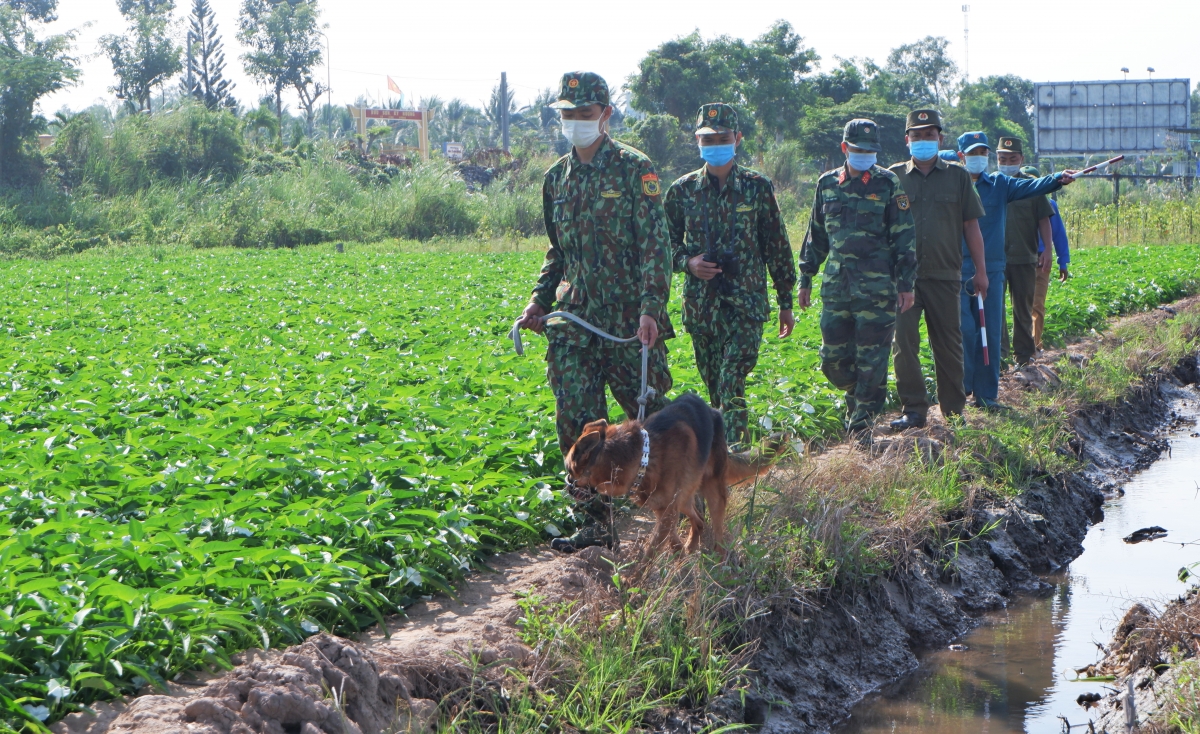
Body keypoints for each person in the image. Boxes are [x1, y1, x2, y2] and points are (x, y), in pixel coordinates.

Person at [516, 71, 674, 552]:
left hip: (629, 323)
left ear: (605, 115)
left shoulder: (634, 169)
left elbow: (656, 247)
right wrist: (540, 300)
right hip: (576, 322)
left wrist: (651, 308)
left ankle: (684, 492)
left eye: (585, 113)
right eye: (568, 114)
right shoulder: (555, 179)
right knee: (577, 423)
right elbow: (557, 251)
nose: (576, 122)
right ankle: (594, 524)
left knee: (650, 416)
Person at [664, 103, 796, 452]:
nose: (716, 143)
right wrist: (687, 263)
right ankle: (720, 457)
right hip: (702, 307)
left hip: (745, 304)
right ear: (697, 140)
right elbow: (663, 245)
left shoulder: (757, 187)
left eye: (723, 137)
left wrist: (786, 301)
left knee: (731, 378)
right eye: (708, 138)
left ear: (737, 139)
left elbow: (777, 246)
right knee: (715, 389)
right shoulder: (681, 191)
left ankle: (735, 456)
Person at [799, 118, 917, 443]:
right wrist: (805, 277)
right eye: (858, 149)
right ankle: (859, 399)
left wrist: (906, 284)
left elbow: (904, 238)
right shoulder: (826, 184)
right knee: (833, 361)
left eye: (870, 150)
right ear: (844, 148)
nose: (865, 154)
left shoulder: (888, 184)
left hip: (878, 290)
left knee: (872, 358)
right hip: (837, 288)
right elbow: (816, 235)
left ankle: (861, 428)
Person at [955, 131, 1077, 409]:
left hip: (994, 267)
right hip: (958, 267)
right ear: (961, 156)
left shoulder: (1000, 183)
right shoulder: (952, 183)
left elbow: (1033, 188)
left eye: (982, 153)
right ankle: (961, 387)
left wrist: (1057, 178)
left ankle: (986, 394)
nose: (978, 158)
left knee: (992, 328)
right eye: (972, 153)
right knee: (964, 329)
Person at [887, 109, 988, 431]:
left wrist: (981, 272)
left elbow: (971, 226)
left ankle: (954, 411)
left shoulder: (957, 177)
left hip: (945, 275)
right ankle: (914, 410)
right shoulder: (892, 177)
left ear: (939, 138)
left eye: (929, 135)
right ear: (907, 140)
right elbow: (880, 228)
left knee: (948, 344)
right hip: (904, 280)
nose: (922, 140)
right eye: (916, 136)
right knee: (904, 345)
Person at [996, 139, 1054, 366]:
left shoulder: (1033, 186)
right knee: (996, 310)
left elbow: (1044, 220)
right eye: (1002, 159)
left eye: (1012, 159)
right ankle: (999, 356)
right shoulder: (990, 183)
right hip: (995, 259)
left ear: (1021, 159)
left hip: (1024, 257)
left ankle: (1023, 355)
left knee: (1023, 309)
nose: (1007, 163)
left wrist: (1047, 249)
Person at [1030, 167, 1071, 351]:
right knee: (1021, 306)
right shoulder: (1013, 204)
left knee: (1037, 304)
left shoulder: (1049, 206)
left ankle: (1034, 344)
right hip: (1017, 261)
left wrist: (1063, 261)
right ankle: (1023, 346)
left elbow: (1058, 235)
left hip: (1040, 260)